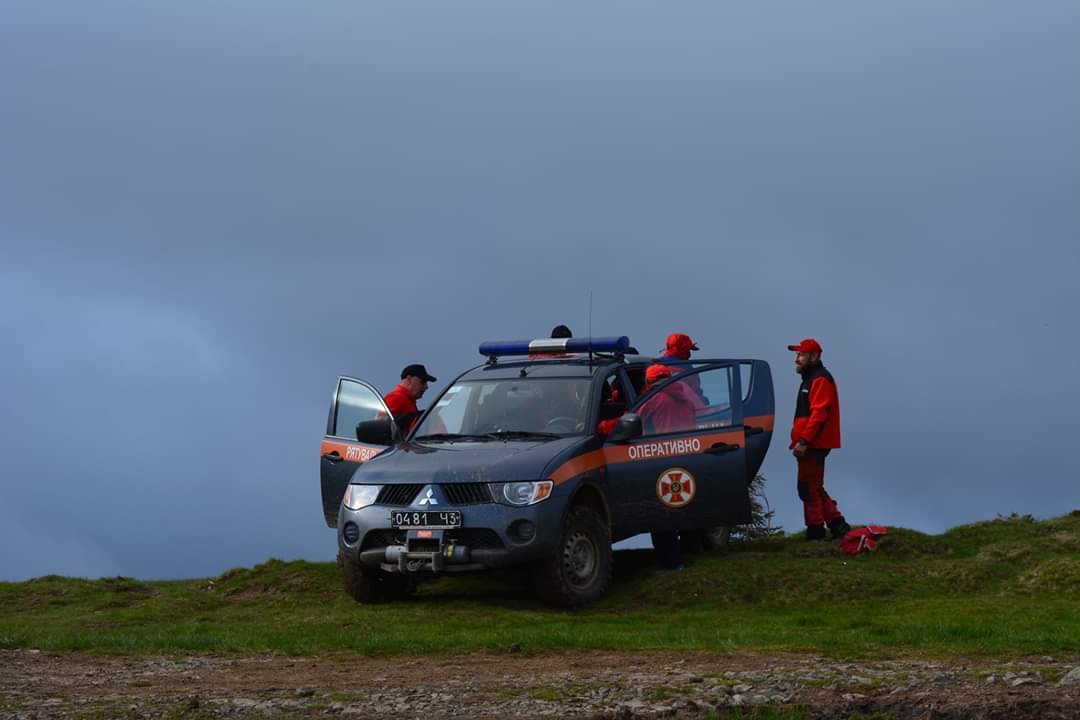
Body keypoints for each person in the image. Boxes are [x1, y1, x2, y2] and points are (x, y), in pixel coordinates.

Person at [788, 338, 851, 541]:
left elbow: (819, 414)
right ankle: (837, 524)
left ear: (814, 357)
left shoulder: (820, 379)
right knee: (813, 485)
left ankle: (815, 531)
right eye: (797, 355)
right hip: (811, 443)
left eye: (801, 355)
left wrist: (804, 441)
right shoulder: (811, 378)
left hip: (813, 444)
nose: (797, 359)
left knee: (806, 487)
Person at [637, 363, 698, 571]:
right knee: (683, 506)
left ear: (649, 381)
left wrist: (604, 427)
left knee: (661, 514)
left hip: (660, 459)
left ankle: (670, 563)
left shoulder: (654, 400)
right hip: (685, 459)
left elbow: (634, 420)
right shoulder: (687, 400)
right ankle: (692, 552)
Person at [383, 364, 437, 432]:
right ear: (409, 379)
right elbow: (383, 425)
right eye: (423, 382)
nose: (426, 387)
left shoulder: (407, 400)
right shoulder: (396, 398)